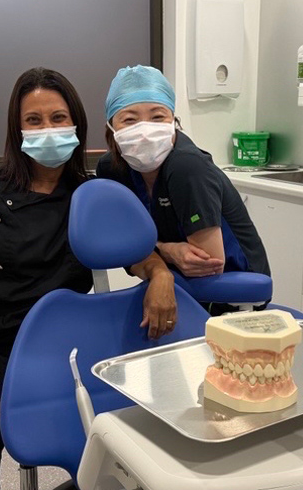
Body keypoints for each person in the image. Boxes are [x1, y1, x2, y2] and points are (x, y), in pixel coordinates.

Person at [0, 67, 175, 490]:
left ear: (76, 124)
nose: (48, 129)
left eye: (59, 118)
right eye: (34, 120)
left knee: (118, 462)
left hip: (67, 357)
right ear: (17, 130)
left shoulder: (89, 194)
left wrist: (160, 274)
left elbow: (137, 252)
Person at [96, 65, 271, 310]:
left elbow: (208, 264)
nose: (145, 131)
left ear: (173, 120)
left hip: (231, 294)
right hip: (170, 281)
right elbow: (124, 244)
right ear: (111, 128)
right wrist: (167, 252)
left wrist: (153, 254)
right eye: (130, 120)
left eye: (158, 117)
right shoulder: (112, 170)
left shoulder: (187, 167)